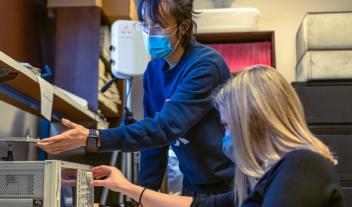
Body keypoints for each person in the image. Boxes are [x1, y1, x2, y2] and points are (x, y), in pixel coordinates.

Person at [36, 0, 234, 197]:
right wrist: (145, 192)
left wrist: (93, 138)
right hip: (193, 183)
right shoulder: (153, 71)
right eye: (146, 25)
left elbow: (164, 129)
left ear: (184, 27)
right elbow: (154, 141)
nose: (150, 33)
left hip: (226, 183)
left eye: (158, 26)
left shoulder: (205, 66)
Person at [90, 65, 345, 207]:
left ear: (253, 120)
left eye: (226, 125)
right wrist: (125, 187)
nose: (225, 136)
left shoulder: (302, 165)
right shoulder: (266, 179)